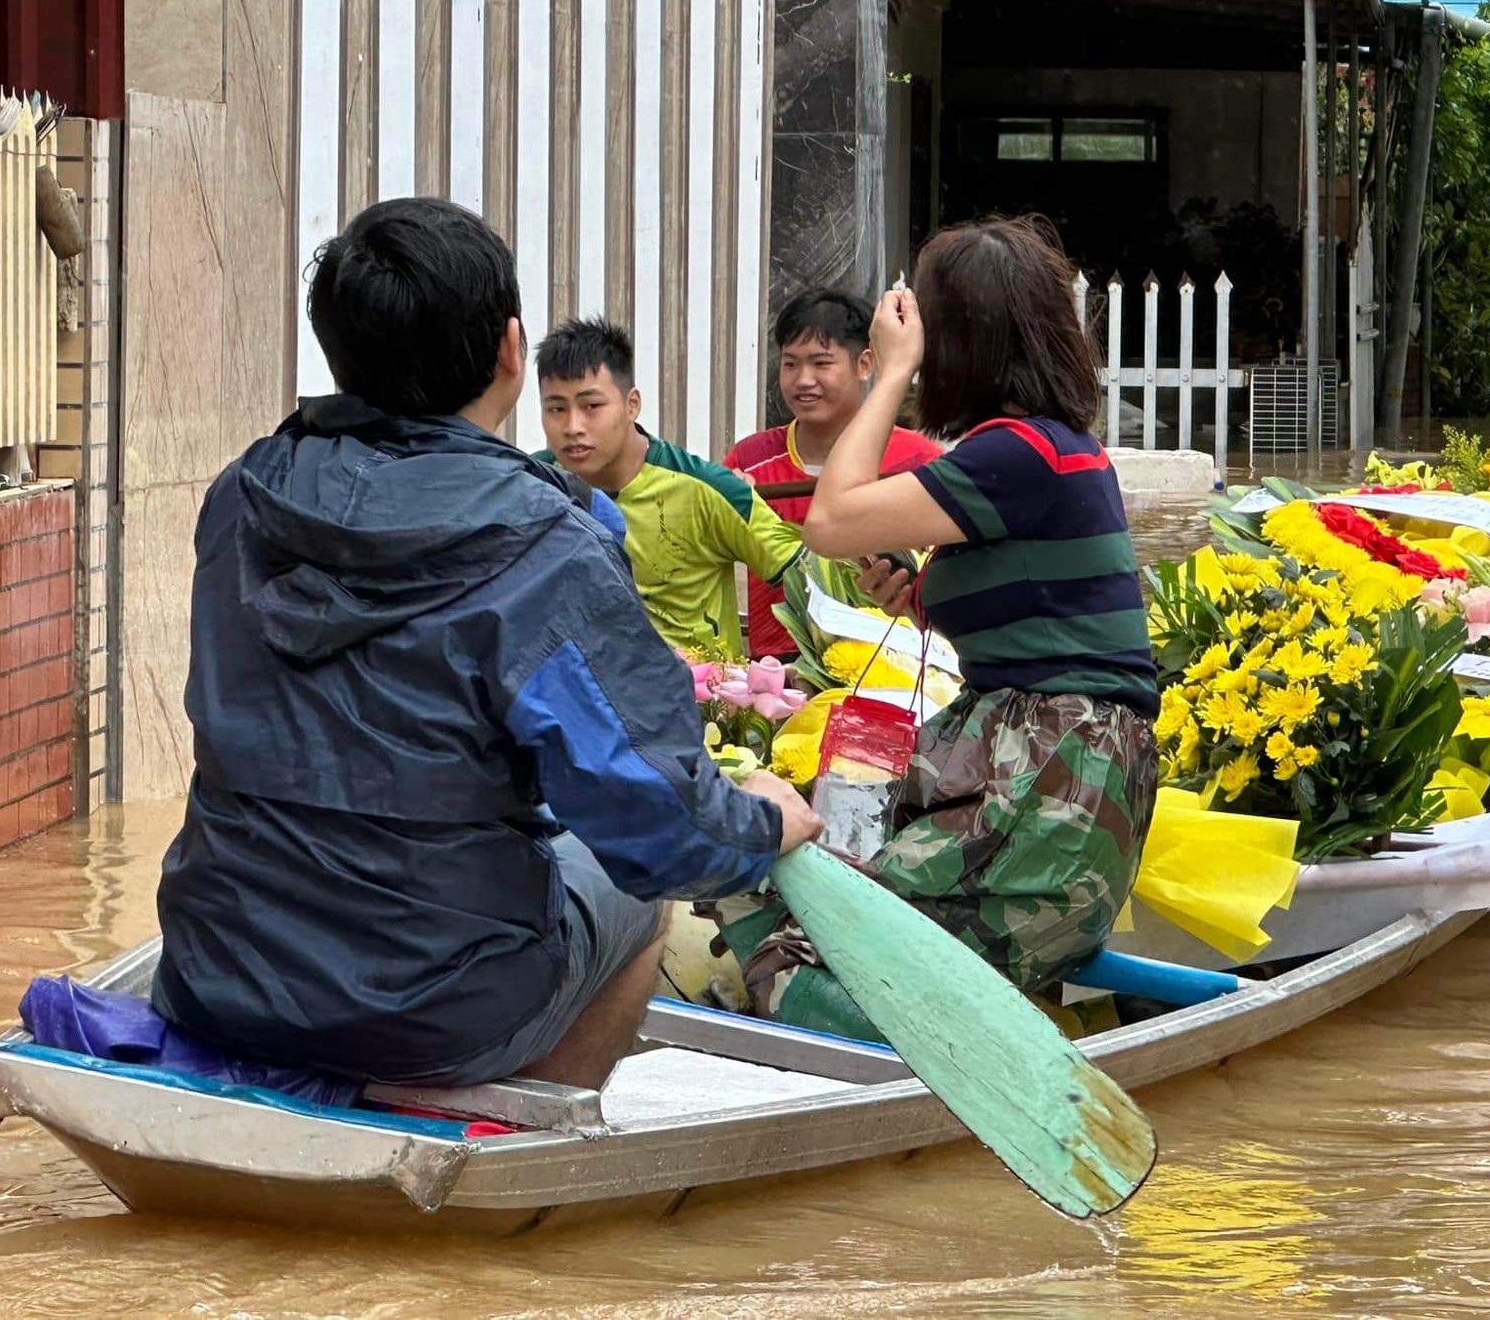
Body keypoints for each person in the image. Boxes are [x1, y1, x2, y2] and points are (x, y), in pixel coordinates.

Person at [152, 198, 819, 1092]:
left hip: (211, 974)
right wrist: (767, 819)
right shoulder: (548, 543)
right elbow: (663, 830)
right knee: (638, 892)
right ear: (513, 353)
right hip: (433, 1009)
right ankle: (523, 1121)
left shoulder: (242, 495)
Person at [714, 216, 1159, 1039]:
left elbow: (831, 518)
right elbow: (1041, 619)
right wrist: (917, 596)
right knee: (762, 862)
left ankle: (880, 1042)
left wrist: (887, 375)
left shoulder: (1019, 452)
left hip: (1055, 781)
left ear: (959, 340)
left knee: (800, 949)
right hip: (1031, 761)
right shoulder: (1044, 450)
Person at [535, 319, 801, 657]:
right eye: (556, 409)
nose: (573, 427)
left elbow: (812, 586)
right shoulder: (532, 485)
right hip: (576, 701)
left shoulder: (709, 489)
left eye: (591, 407)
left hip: (698, 704)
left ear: (632, 405)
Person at [723, 290, 942, 659]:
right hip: (777, 670)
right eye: (790, 364)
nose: (803, 380)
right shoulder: (750, 459)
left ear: (865, 364)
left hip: (889, 666)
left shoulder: (920, 460)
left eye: (821, 363)